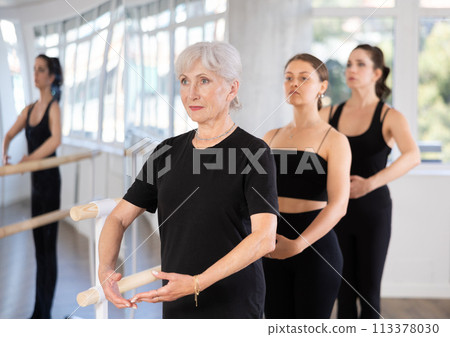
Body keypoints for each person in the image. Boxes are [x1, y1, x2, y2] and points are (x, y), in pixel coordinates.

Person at [98, 41, 278, 318]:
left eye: (203, 81)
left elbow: (265, 238)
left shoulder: (253, 152)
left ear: (232, 88)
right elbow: (118, 218)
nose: (191, 93)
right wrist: (106, 269)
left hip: (233, 303)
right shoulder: (167, 152)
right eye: (184, 81)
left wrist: (196, 283)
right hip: (177, 298)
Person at [320, 44, 421, 319]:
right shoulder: (329, 115)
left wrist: (369, 183)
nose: (351, 69)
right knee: (342, 291)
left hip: (373, 212)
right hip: (335, 212)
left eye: (360, 64)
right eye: (349, 63)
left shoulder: (390, 116)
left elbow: (412, 156)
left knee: (369, 293)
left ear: (377, 73)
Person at [262, 53, 351, 318]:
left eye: (304, 78)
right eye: (288, 78)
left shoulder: (335, 140)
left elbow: (339, 205)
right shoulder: (270, 136)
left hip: (316, 249)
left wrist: (298, 245)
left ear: (322, 87)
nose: (294, 84)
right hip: (272, 244)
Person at [2, 54, 63, 318]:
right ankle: (39, 311)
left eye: (40, 70)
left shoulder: (54, 108)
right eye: (34, 69)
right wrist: (5, 153)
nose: (35, 74)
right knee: (39, 248)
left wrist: (29, 159)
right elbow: (9, 133)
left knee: (48, 249)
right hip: (36, 186)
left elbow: (55, 141)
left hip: (50, 184)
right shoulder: (29, 109)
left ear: (50, 77)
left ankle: (44, 312)